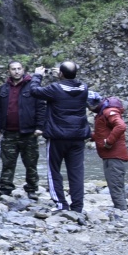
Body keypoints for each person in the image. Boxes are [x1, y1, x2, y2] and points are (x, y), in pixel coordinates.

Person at [32, 61, 91, 215]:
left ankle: (61, 204)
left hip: (58, 136)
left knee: (54, 171)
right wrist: (64, 75)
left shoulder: (55, 89)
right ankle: (77, 207)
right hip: (78, 136)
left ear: (61, 74)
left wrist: (37, 75)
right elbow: (70, 83)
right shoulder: (84, 88)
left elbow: (35, 91)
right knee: (76, 172)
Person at [0, 61, 41, 201]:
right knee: (7, 162)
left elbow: (40, 107)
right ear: (9, 71)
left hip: (28, 132)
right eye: (13, 69)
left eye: (19, 69)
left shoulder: (32, 87)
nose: (16, 71)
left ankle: (32, 189)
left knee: (31, 163)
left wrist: (40, 127)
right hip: (9, 132)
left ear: (23, 70)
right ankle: (5, 189)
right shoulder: (3, 89)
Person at [90, 93, 128, 211]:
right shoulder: (103, 113)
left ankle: (122, 213)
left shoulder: (108, 112)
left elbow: (121, 126)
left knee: (115, 187)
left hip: (115, 157)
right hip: (111, 156)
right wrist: (90, 136)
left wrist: (109, 141)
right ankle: (122, 210)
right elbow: (103, 132)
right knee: (116, 186)